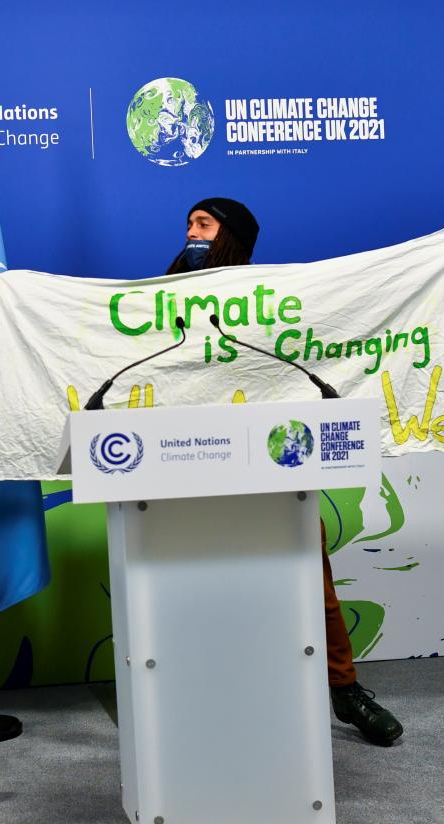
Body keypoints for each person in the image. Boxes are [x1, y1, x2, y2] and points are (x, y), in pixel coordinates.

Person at [166, 198, 404, 746]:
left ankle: (344, 689)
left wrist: (429, 260)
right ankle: (205, 695)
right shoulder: (160, 297)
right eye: (188, 226)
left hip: (272, 461)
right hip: (187, 463)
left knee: (311, 582)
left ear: (232, 237)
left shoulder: (277, 302)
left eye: (203, 225)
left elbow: (360, 302)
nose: (190, 234)